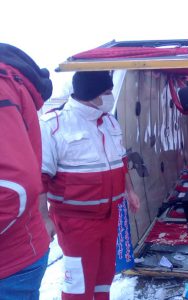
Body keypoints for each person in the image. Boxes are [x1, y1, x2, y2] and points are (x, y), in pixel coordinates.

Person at [40, 71, 140, 299]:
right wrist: (43, 218)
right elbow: (40, 177)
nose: (110, 96)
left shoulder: (110, 122)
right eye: (106, 92)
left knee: (104, 278)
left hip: (110, 216)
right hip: (76, 222)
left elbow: (120, 161)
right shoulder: (53, 125)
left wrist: (130, 190)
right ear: (91, 94)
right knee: (79, 284)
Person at [0, 43, 53, 299]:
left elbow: (15, 185)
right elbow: (37, 175)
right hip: (27, 242)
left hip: (10, 259)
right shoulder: (57, 122)